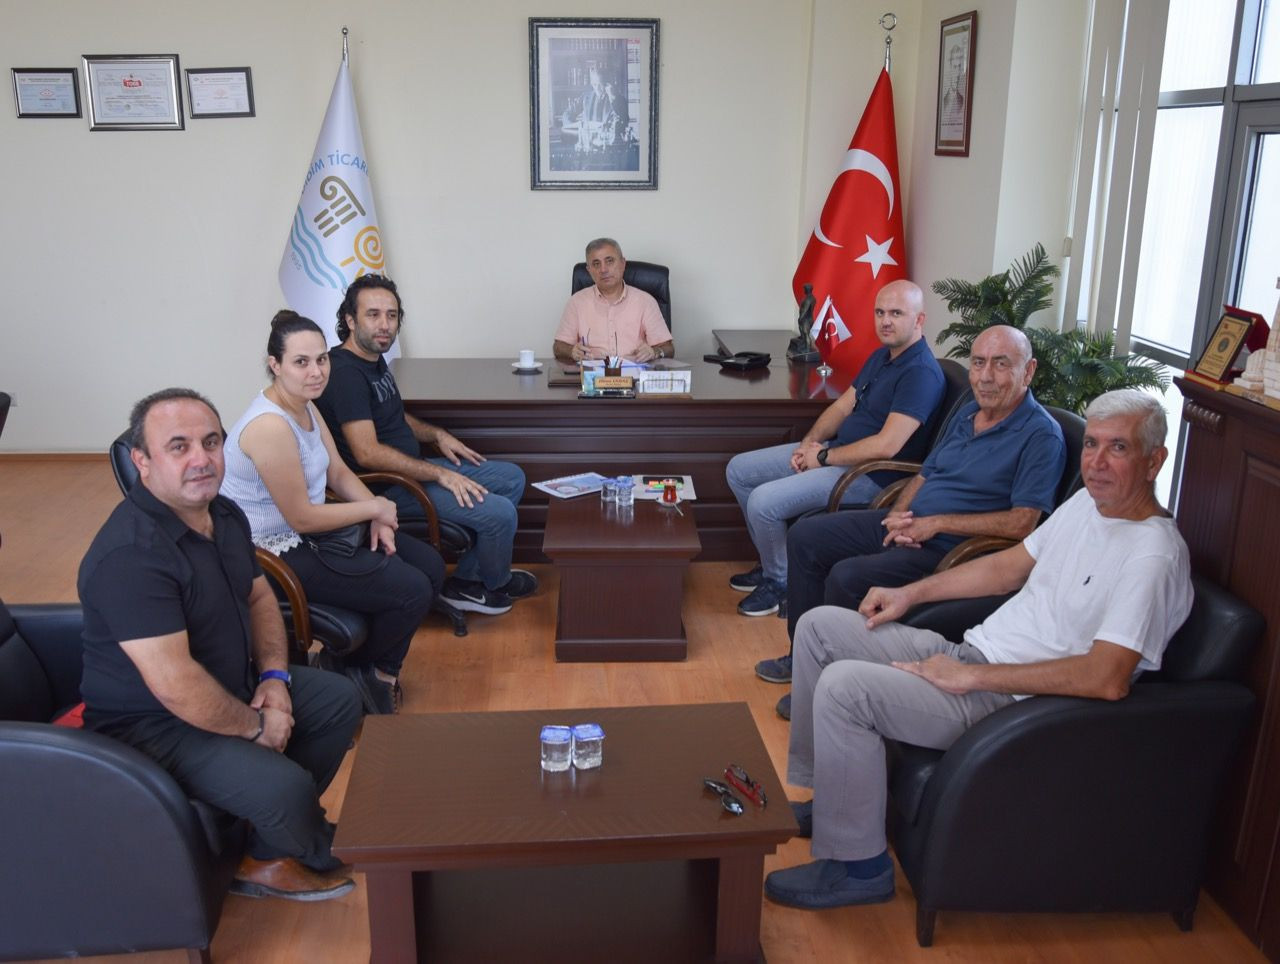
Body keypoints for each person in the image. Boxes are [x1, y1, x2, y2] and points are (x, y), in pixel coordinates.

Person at [764, 389, 1191, 910]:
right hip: (972, 653)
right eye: (1092, 444)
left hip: (1011, 703)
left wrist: (972, 678)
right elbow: (1007, 568)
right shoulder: (1088, 504)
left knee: (844, 688)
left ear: (1154, 461)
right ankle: (831, 800)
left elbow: (1106, 677)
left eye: (1118, 448)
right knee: (820, 628)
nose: (1097, 463)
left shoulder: (1153, 557)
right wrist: (909, 594)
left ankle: (859, 869)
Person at [78, 388, 364, 901]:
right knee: (285, 786)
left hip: (231, 681)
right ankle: (299, 838)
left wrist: (274, 679)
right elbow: (175, 685)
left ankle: (270, 846)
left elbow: (259, 597)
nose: (201, 459)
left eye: (211, 442)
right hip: (153, 726)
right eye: (179, 446)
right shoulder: (131, 557)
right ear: (142, 461)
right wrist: (257, 727)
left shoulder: (224, 514)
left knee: (339, 700)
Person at [756, 325, 1065, 710]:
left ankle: (833, 690)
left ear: (1028, 371)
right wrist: (899, 515)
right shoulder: (969, 411)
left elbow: (1023, 523)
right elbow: (925, 474)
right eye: (978, 363)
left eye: (1001, 365)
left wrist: (936, 524)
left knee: (846, 577)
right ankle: (801, 659)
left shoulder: (1041, 436)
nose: (985, 376)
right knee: (806, 536)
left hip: (953, 549)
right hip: (910, 524)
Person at [222, 311, 444, 715]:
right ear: (275, 365)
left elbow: (338, 472)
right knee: (411, 589)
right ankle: (369, 672)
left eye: (322, 359)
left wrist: (376, 516)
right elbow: (301, 518)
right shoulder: (270, 426)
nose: (316, 371)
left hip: (313, 533)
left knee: (429, 565)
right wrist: (374, 506)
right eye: (301, 362)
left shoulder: (306, 405)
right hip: (272, 555)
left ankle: (358, 667)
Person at [315, 274, 536, 617]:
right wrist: (439, 474)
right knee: (500, 513)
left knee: (511, 478)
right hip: (388, 487)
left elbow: (392, 415)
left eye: (391, 315)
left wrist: (436, 435)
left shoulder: (372, 359)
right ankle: (482, 584)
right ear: (350, 320)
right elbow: (367, 453)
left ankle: (474, 577)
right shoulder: (345, 375)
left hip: (413, 470)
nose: (384, 324)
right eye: (373, 314)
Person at [726, 280, 945, 617]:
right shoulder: (882, 356)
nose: (885, 321)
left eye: (896, 313)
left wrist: (823, 457)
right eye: (880, 313)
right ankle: (776, 565)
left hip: (870, 475)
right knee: (739, 470)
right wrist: (808, 444)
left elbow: (887, 445)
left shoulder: (921, 373)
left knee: (763, 502)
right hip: (837, 452)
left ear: (919, 320)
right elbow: (842, 407)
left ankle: (781, 582)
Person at [553, 238, 674, 363]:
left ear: (622, 264)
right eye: (596, 264)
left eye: (609, 261)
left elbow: (668, 348)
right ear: (589, 270)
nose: (603, 270)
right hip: (592, 372)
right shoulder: (577, 302)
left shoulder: (645, 301)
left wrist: (655, 352)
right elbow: (558, 347)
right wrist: (571, 351)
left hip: (634, 371)